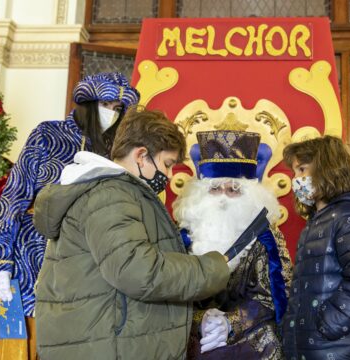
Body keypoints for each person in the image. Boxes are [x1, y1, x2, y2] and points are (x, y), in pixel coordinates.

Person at [33, 107, 233, 360]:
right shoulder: (110, 196)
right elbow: (137, 270)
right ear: (141, 156)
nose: (169, 176)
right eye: (167, 164)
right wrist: (213, 268)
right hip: (106, 346)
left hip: (102, 340)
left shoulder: (110, 192)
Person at [0, 72, 139, 358]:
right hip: (27, 261)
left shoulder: (114, 151)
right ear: (88, 102)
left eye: (118, 109)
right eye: (106, 104)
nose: (111, 114)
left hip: (80, 267)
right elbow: (14, 196)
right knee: (16, 346)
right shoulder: (48, 133)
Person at [173, 129, 292, 359]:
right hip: (194, 333)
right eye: (215, 189)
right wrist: (202, 320)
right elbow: (173, 292)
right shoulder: (184, 237)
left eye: (233, 190)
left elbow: (273, 297)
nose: (223, 199)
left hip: (251, 335)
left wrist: (230, 323)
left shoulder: (266, 238)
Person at [281, 135, 350, 360]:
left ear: (327, 167)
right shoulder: (317, 218)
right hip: (317, 347)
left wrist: (329, 324)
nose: (296, 179)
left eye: (302, 169)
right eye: (295, 172)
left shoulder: (349, 213)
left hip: (339, 347)